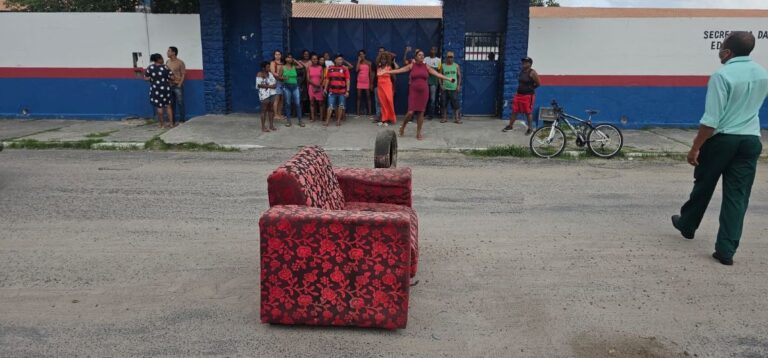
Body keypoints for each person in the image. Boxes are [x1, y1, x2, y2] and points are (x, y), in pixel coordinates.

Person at [671, 32, 768, 266]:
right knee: (737, 196)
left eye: (721, 48)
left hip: (723, 140)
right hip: (750, 140)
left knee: (704, 185)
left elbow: (711, 120)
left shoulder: (721, 75)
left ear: (727, 52)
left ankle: (687, 224)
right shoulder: (763, 74)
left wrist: (695, 148)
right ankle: (726, 250)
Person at [384, 49, 456, 140]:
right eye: (419, 55)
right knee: (410, 112)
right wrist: (387, 72)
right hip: (413, 91)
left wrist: (448, 78)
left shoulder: (427, 67)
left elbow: (437, 74)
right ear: (416, 57)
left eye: (423, 55)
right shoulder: (412, 65)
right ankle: (403, 127)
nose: (422, 56)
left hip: (424, 92)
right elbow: (400, 70)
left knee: (421, 112)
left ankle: (418, 133)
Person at [503, 57, 540, 135]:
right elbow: (520, 83)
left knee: (528, 112)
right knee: (514, 111)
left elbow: (538, 84)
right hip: (519, 95)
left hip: (528, 96)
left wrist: (529, 89)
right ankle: (510, 126)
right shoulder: (522, 71)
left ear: (530, 64)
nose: (523, 63)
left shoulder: (532, 72)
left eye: (526, 62)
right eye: (523, 62)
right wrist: (517, 92)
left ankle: (530, 128)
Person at [144, 53, 175, 128]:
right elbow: (172, 77)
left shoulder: (150, 68)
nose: (163, 59)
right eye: (161, 58)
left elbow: (146, 78)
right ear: (158, 59)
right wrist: (167, 78)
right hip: (166, 89)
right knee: (168, 106)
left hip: (156, 89)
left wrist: (152, 78)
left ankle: (161, 124)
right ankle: (171, 124)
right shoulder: (165, 67)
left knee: (159, 107)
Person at [372, 47, 399, 123]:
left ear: (387, 60)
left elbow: (396, 72)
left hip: (388, 87)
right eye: (382, 59)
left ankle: (391, 118)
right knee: (382, 103)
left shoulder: (389, 67)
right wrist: (381, 54)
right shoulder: (378, 67)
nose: (383, 60)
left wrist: (386, 53)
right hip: (380, 87)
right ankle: (384, 118)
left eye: (384, 59)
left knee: (389, 102)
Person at [323, 54, 351, 126]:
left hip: (342, 92)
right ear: (335, 60)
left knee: (341, 106)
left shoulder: (345, 69)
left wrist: (347, 91)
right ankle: (327, 121)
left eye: (341, 60)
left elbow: (347, 80)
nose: (340, 61)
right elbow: (327, 79)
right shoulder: (330, 68)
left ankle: (338, 121)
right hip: (332, 91)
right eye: (339, 59)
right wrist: (325, 89)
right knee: (330, 106)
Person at [281, 54, 306, 127]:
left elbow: (302, 66)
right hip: (286, 87)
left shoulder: (294, 67)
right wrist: (283, 78)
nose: (290, 59)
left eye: (291, 57)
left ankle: (300, 120)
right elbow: (279, 77)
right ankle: (288, 121)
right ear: (285, 59)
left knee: (298, 104)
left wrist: (295, 60)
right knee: (288, 104)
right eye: (288, 57)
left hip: (295, 87)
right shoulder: (283, 67)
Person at [440, 51, 462, 124]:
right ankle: (444, 118)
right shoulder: (442, 66)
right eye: (449, 57)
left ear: (453, 58)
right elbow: (439, 76)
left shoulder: (456, 66)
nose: (450, 59)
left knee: (456, 104)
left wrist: (458, 85)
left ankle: (457, 118)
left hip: (453, 88)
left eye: (451, 57)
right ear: (446, 58)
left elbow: (459, 76)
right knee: (444, 103)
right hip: (445, 88)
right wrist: (441, 85)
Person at [166, 46, 186, 123]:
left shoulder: (180, 62)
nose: (167, 53)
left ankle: (182, 120)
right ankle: (172, 121)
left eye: (169, 51)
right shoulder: (167, 62)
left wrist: (179, 84)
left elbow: (183, 74)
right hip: (169, 86)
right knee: (171, 104)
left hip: (177, 85)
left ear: (174, 52)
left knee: (180, 103)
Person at [256, 61, 277, 132]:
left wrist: (269, 86)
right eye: (267, 67)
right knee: (264, 110)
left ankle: (271, 125)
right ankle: (263, 127)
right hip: (264, 94)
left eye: (269, 66)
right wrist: (270, 86)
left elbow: (275, 84)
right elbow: (259, 85)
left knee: (271, 109)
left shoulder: (270, 74)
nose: (269, 68)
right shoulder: (260, 74)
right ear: (263, 68)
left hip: (272, 93)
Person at [306, 53, 326, 122]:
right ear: (311, 60)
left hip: (319, 87)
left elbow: (322, 77)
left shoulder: (320, 67)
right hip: (311, 87)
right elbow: (308, 79)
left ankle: (321, 118)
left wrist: (319, 83)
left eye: (316, 59)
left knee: (320, 103)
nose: (315, 60)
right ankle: (313, 118)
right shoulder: (309, 68)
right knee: (312, 103)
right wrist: (314, 84)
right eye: (313, 59)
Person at [424, 46, 442, 120]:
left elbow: (439, 71)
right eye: (431, 49)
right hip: (425, 81)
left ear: (436, 51)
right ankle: (424, 113)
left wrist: (439, 82)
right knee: (424, 98)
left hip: (434, 81)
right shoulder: (425, 59)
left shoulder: (438, 60)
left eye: (434, 50)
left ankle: (431, 115)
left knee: (432, 99)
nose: (432, 51)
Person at [356, 50, 373, 117]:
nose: (361, 55)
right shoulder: (359, 63)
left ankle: (370, 113)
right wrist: (358, 61)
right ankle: (358, 113)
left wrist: (371, 83)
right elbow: (356, 70)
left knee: (368, 97)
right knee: (358, 97)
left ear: (365, 55)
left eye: (362, 54)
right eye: (360, 54)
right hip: (359, 81)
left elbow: (371, 73)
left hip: (367, 82)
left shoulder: (369, 63)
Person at [269, 50, 285, 120]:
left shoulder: (282, 63)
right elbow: (273, 72)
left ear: (281, 55)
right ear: (274, 55)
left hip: (283, 82)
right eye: (276, 54)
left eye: (279, 54)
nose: (278, 56)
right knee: (277, 99)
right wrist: (280, 77)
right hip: (277, 82)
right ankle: (275, 115)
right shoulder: (272, 63)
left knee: (281, 99)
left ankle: (279, 114)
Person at [298, 49, 312, 116]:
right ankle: (301, 112)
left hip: (310, 81)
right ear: (303, 55)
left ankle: (310, 113)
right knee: (302, 97)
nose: (306, 55)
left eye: (307, 54)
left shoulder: (311, 61)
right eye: (305, 54)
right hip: (302, 82)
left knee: (310, 97)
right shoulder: (299, 62)